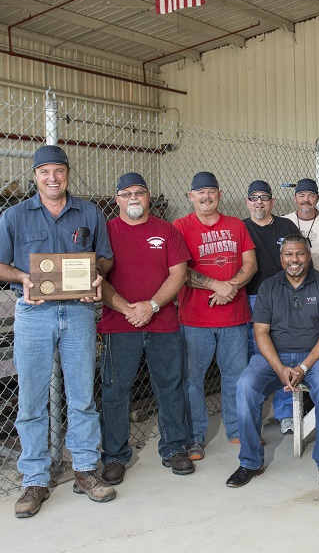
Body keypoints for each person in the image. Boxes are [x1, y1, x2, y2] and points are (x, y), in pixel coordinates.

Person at [0, 144, 114, 518]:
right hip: (34, 314)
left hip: (77, 314)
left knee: (82, 397)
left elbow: (105, 256)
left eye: (59, 170)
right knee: (31, 402)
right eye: (45, 172)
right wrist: (24, 277)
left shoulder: (89, 212)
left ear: (67, 174)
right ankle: (35, 480)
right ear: (35, 176)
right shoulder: (14, 216)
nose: (53, 178)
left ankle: (86, 471)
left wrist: (97, 274)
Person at [226, 234, 319, 489]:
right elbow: (260, 332)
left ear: (308, 256)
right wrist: (279, 368)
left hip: (315, 356)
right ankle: (249, 461)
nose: (294, 260)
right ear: (281, 258)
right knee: (246, 386)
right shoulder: (268, 287)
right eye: (289, 255)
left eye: (300, 254)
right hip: (273, 357)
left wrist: (303, 367)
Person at [98, 173, 194, 485]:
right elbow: (96, 277)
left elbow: (178, 273)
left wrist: (151, 306)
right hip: (118, 324)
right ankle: (114, 455)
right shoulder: (106, 232)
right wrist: (128, 309)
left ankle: (174, 447)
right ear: (117, 199)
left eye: (139, 192)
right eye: (126, 194)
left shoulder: (167, 231)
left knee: (170, 386)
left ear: (149, 196)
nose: (134, 198)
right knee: (115, 391)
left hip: (162, 322)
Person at [173, 171, 257, 460]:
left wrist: (230, 286)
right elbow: (179, 271)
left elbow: (250, 263)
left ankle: (236, 429)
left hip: (234, 316)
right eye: (200, 192)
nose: (206, 196)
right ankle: (195, 437)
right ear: (191, 196)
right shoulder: (180, 227)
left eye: (211, 191)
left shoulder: (235, 225)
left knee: (236, 375)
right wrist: (214, 285)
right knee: (192, 379)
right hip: (195, 318)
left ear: (219, 195)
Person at [241, 180, 299, 434]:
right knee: (258, 356)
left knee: (285, 351)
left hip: (284, 300)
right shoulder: (240, 228)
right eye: (254, 198)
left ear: (272, 202)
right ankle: (255, 412)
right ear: (248, 203)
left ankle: (286, 413)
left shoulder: (286, 226)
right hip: (252, 298)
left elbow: (299, 260)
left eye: (264, 197)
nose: (259, 202)